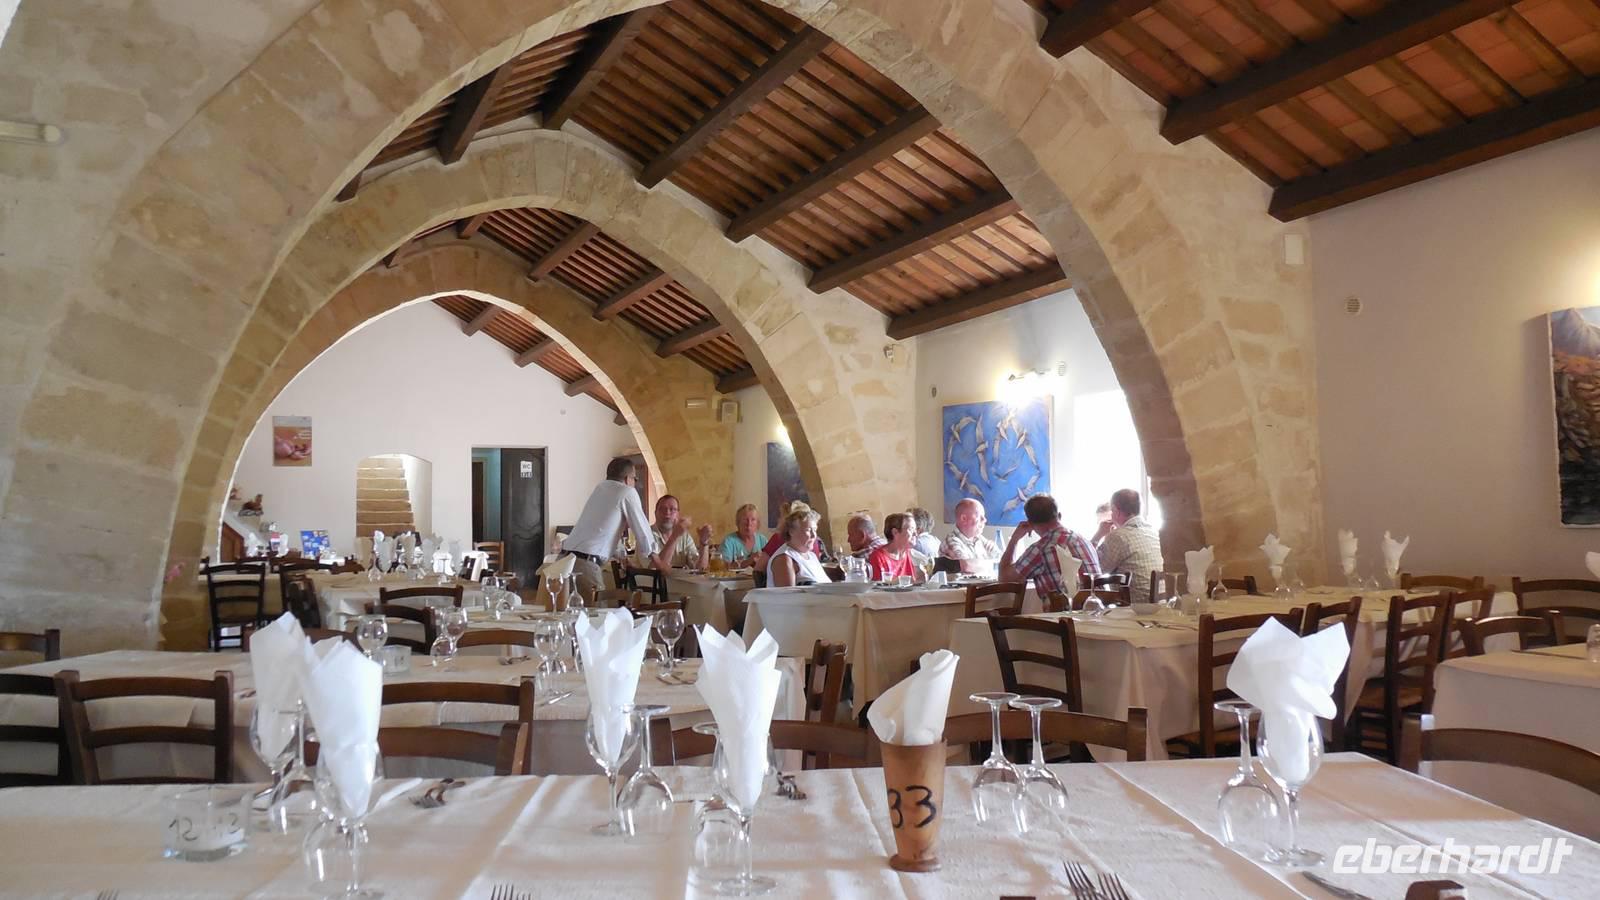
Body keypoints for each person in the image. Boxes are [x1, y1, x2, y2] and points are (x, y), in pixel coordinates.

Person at [561, 457, 675, 599]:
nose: (635, 483)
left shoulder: (600, 488)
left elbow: (604, 531)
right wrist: (659, 563)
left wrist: (622, 556)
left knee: (569, 611)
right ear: (627, 479)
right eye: (635, 479)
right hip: (585, 565)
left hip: (565, 561)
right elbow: (642, 529)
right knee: (596, 611)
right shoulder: (627, 492)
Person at [1000, 493, 1101, 597]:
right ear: (1059, 516)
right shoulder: (1083, 540)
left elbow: (1004, 580)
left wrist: (1014, 539)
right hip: (1101, 605)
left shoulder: (1040, 549)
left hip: (1067, 607)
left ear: (1030, 523)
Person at [1096, 488, 1162, 601]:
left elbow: (1097, 570)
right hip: (1160, 603)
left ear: (1116, 511)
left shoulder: (1118, 536)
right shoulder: (1154, 532)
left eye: (1112, 511)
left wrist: (1098, 535)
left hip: (1134, 606)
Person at [767, 508, 832, 587]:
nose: (813, 535)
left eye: (815, 530)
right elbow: (787, 593)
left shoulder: (812, 556)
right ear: (791, 531)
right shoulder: (784, 558)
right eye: (808, 530)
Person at [651, 494, 711, 570]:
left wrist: (704, 543)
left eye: (672, 509)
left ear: (678, 514)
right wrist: (675, 536)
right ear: (655, 513)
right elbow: (655, 569)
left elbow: (701, 568)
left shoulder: (685, 537)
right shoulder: (646, 535)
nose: (667, 513)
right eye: (662, 509)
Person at [941, 497, 1000, 573]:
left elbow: (1001, 559)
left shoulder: (980, 539)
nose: (985, 520)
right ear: (963, 518)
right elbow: (966, 566)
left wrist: (979, 564)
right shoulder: (951, 541)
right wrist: (993, 564)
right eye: (980, 516)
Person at [757, 500, 823, 563]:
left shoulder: (778, 538)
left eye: (781, 516)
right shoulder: (813, 541)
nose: (778, 519)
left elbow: (759, 568)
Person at [866, 513, 923, 583]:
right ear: (895, 532)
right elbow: (877, 588)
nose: (915, 534)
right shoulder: (878, 557)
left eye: (915, 529)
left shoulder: (909, 554)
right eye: (911, 529)